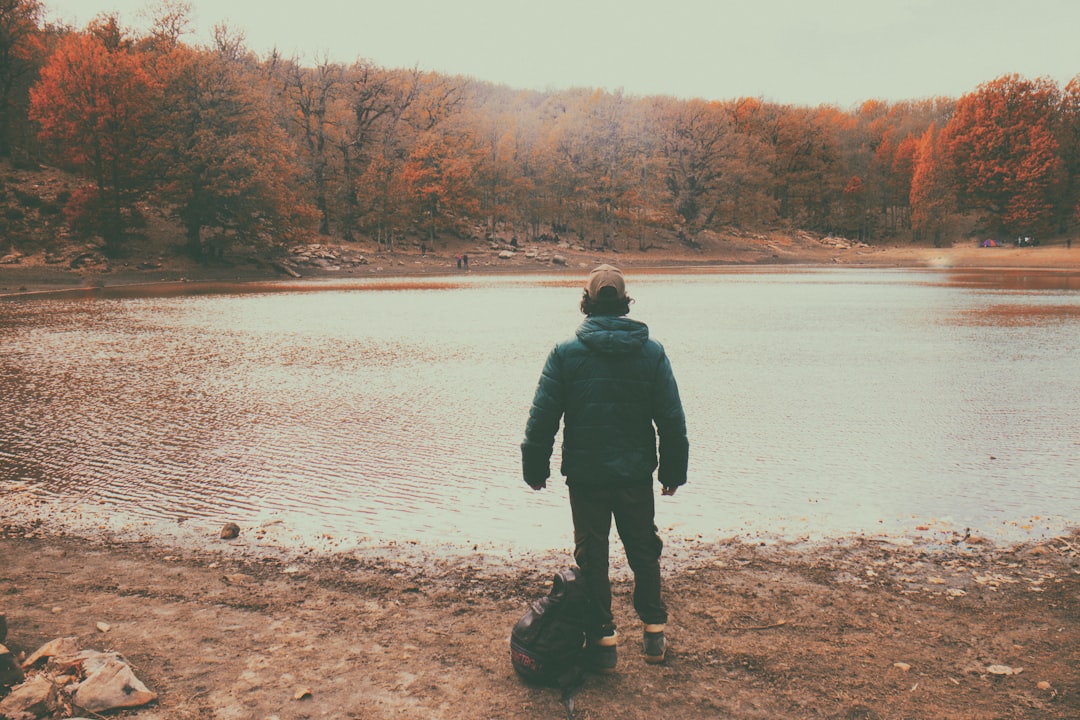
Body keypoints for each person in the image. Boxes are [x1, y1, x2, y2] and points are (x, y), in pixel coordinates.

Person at [521, 264, 689, 673]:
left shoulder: (565, 353)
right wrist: (672, 473)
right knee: (643, 550)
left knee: (592, 556)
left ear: (588, 303)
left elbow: (542, 419)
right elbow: (671, 419)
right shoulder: (652, 352)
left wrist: (535, 469)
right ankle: (653, 635)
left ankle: (603, 641)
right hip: (634, 473)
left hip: (587, 474)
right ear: (625, 303)